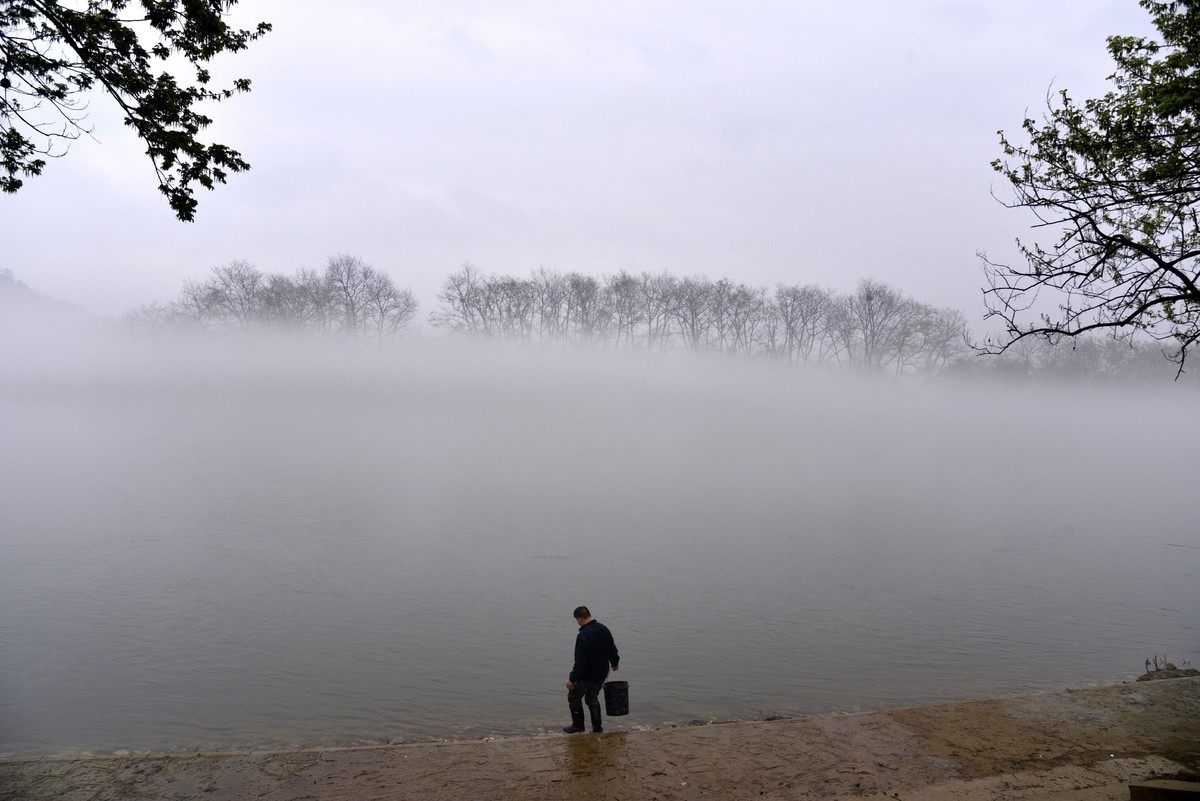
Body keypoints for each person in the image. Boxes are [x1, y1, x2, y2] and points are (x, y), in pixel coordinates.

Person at [563, 605, 619, 734]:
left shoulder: (584, 635)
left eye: (577, 620)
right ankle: (597, 728)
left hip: (586, 675)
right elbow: (612, 648)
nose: (577, 622)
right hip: (601, 673)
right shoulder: (604, 629)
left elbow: (581, 661)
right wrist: (615, 662)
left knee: (574, 697)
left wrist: (572, 679)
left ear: (579, 618)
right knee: (592, 698)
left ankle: (578, 725)